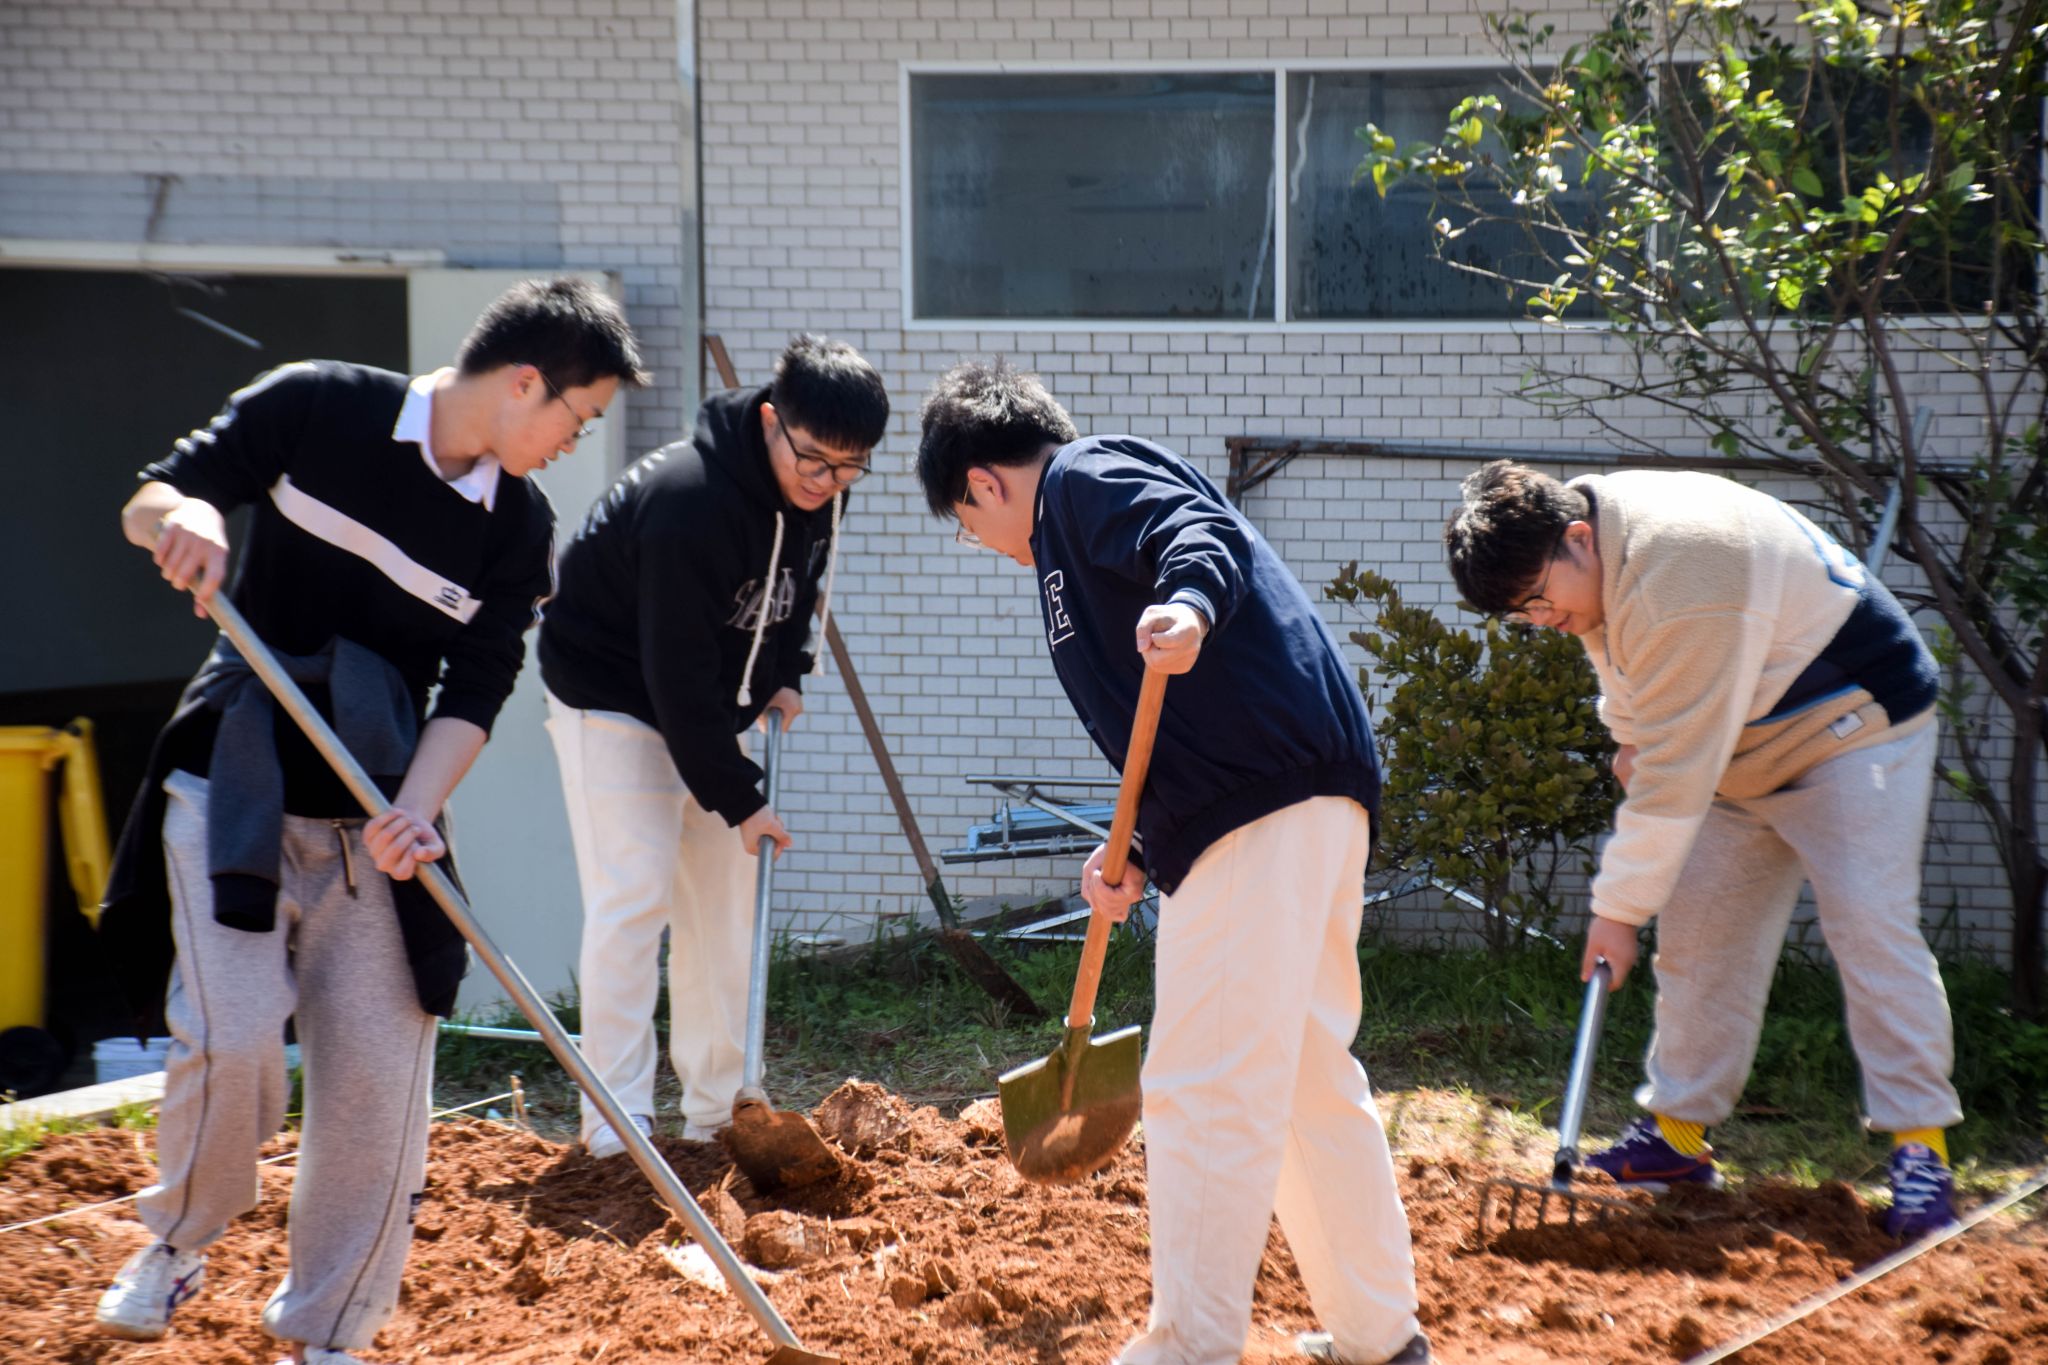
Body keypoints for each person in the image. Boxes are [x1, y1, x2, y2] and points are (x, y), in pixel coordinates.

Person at [92, 279, 648, 1362]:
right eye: (576, 419)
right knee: (234, 1036)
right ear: (524, 383)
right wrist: (186, 519)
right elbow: (155, 497)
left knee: (379, 1086)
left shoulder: (516, 529)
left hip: (375, 819)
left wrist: (415, 810)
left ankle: (331, 1329)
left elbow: (476, 688)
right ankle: (178, 1242)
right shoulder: (316, 404)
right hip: (236, 782)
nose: (570, 444)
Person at [916, 359, 1428, 1365]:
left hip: (1258, 808)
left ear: (980, 483)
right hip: (1299, 800)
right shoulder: (1072, 528)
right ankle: (1381, 1337)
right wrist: (1142, 849)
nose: (986, 545)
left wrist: (1188, 604)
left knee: (1203, 1084)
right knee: (1303, 1077)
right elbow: (1179, 717)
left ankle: (1189, 1347)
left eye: (968, 526)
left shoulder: (1079, 478)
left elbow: (1197, 532)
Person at [1442, 460, 1961, 1240]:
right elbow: (1638, 689)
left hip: (1853, 725)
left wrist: (1617, 911)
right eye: (1521, 613)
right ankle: (1678, 1140)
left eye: (1538, 600)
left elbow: (1675, 770)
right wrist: (1631, 740)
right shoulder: (1596, 563)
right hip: (1737, 743)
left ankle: (1922, 1151)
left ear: (1576, 538)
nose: (1540, 619)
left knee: (1868, 925)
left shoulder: (1683, 562)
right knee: (1700, 934)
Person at [536, 335, 887, 1158]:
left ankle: (719, 1115)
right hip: (610, 691)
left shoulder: (821, 492)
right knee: (635, 896)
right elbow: (676, 674)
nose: (825, 481)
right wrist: (742, 796)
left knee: (724, 909)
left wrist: (786, 672)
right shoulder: (687, 500)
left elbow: (798, 586)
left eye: (848, 468)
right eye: (812, 458)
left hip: (707, 699)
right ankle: (616, 1128)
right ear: (770, 420)